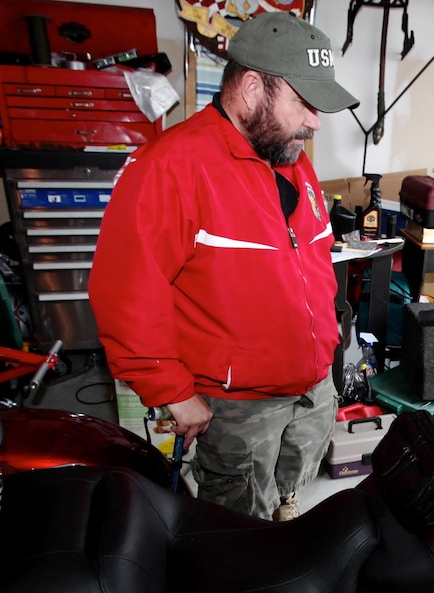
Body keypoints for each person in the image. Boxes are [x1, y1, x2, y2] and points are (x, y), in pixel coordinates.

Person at [88, 11, 359, 521]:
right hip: (238, 407)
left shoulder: (290, 156)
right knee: (235, 527)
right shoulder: (169, 168)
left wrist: (326, 351)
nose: (315, 121)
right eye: (304, 103)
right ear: (253, 86)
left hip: (312, 387)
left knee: (286, 497)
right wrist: (172, 391)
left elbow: (310, 262)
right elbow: (126, 294)